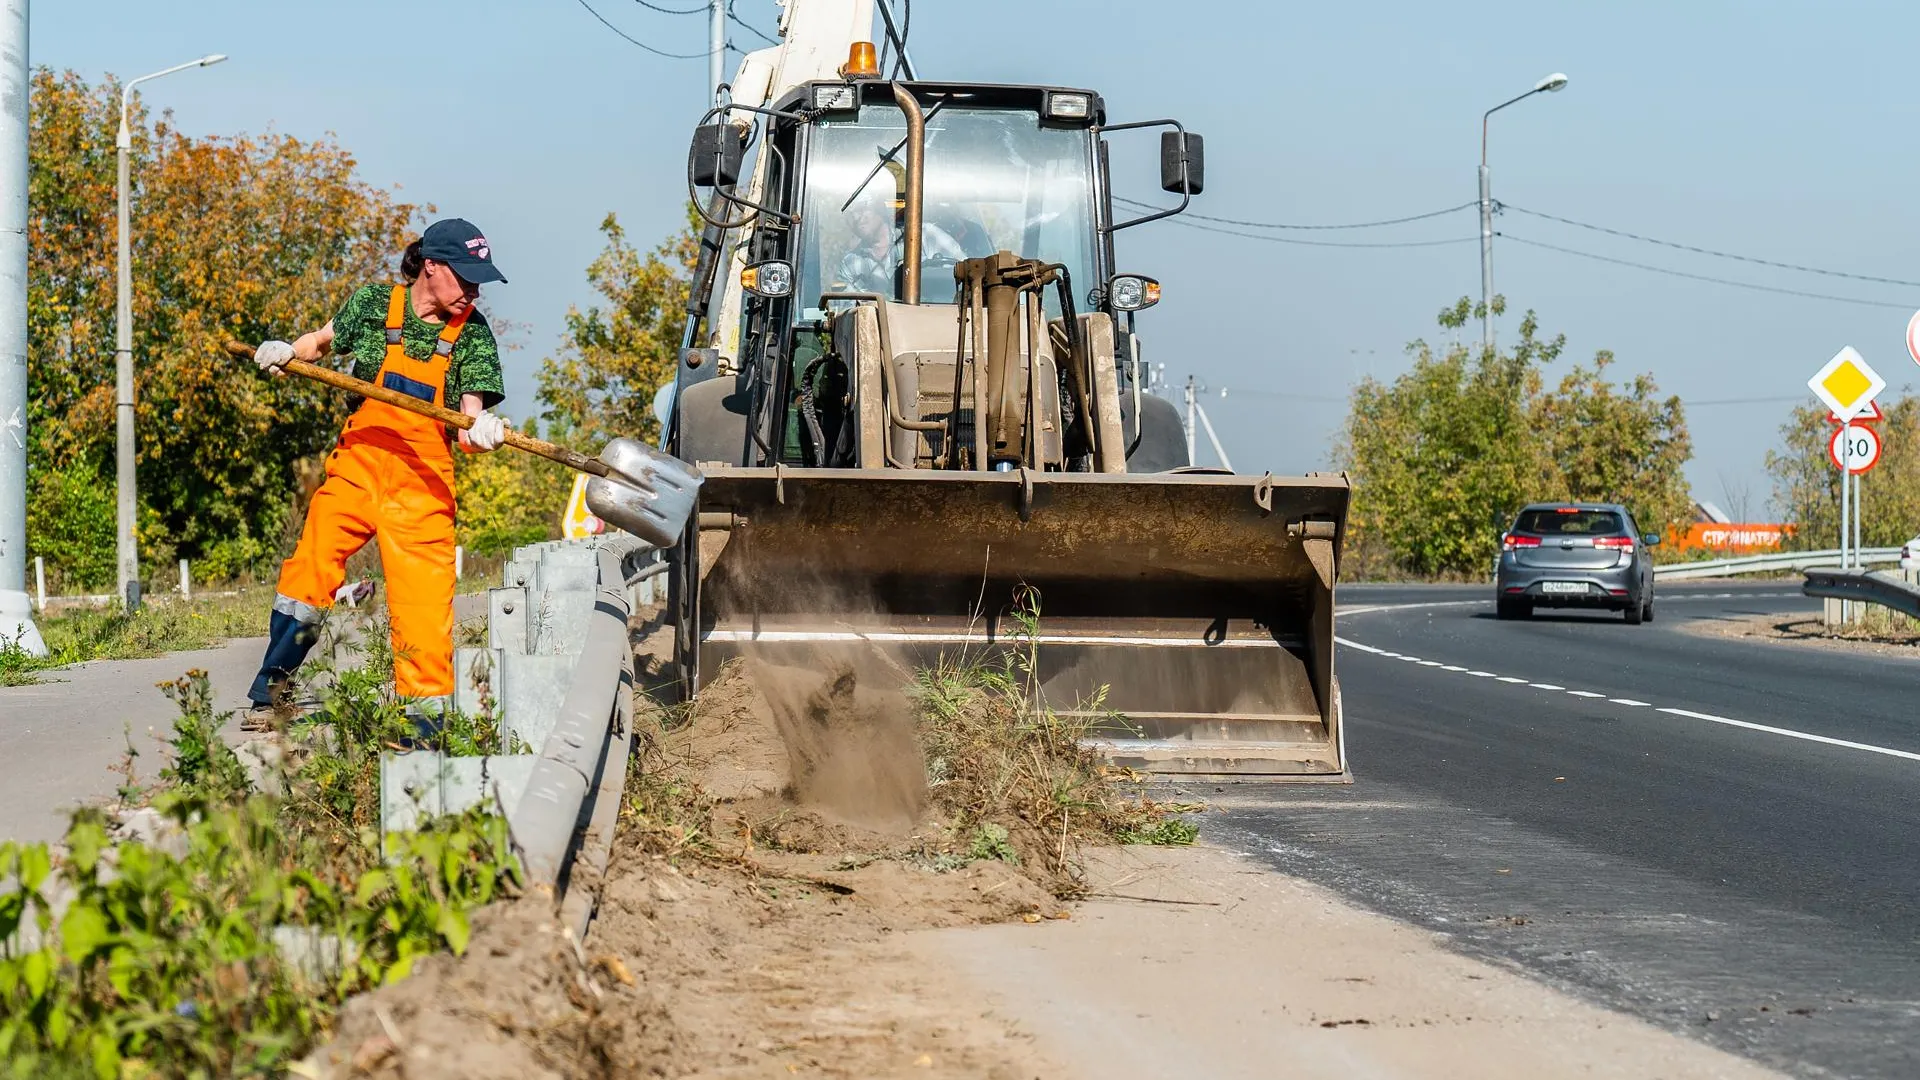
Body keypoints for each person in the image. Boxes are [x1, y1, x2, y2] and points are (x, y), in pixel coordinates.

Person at [244, 218, 509, 728]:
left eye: (480, 281)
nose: (475, 290)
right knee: (310, 570)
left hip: (423, 491)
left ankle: (424, 730)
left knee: (425, 610)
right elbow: (320, 343)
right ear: (431, 266)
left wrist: (483, 431)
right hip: (358, 468)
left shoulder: (472, 334)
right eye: (468, 276)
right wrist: (286, 352)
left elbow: (467, 421)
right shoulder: (373, 305)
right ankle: (272, 693)